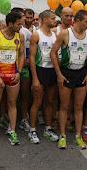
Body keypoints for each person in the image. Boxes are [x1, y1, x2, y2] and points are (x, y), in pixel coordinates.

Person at [51, 10, 87, 150]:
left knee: (79, 107)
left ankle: (78, 136)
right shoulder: (65, 33)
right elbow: (53, 52)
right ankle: (62, 136)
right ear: (78, 20)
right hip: (66, 72)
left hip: (81, 73)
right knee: (64, 106)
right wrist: (58, 74)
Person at [0, 11, 25, 146]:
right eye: (19, 24)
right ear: (10, 23)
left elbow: (21, 55)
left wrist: (19, 72)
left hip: (13, 75)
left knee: (12, 103)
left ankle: (12, 130)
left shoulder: (21, 36)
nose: (21, 26)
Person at [28, 10, 59, 144]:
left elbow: (56, 55)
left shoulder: (54, 35)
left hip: (51, 70)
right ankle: (33, 130)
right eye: (52, 19)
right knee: (37, 102)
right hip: (40, 70)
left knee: (50, 101)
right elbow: (32, 57)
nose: (55, 21)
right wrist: (35, 78)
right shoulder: (36, 34)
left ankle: (48, 128)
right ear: (45, 19)